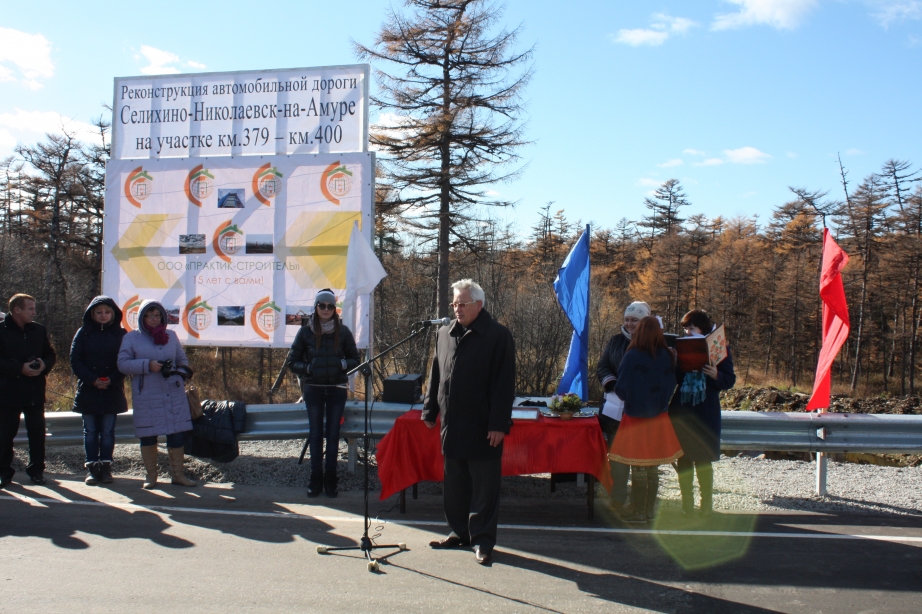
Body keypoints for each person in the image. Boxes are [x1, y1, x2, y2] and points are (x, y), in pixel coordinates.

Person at [423, 279, 515, 566]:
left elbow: (504, 384)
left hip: (483, 426)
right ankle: (459, 532)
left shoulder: (498, 335)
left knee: (484, 489)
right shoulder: (444, 333)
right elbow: (435, 374)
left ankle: (482, 541)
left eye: (462, 304)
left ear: (479, 305)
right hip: (452, 424)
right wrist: (430, 410)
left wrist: (499, 423)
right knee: (455, 485)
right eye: (454, 303)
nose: (457, 308)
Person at [287, 289, 359, 498]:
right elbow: (292, 362)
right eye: (322, 305)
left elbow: (355, 359)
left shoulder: (343, 331)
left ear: (334, 309)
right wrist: (309, 368)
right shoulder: (305, 332)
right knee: (316, 434)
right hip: (314, 390)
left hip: (337, 390)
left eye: (330, 306)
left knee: (333, 435)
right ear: (316, 307)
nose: (326, 309)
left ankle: (331, 479)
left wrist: (342, 364)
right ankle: (315, 479)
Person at [610, 316, 682, 524]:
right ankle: (650, 511)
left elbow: (621, 388)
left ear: (639, 332)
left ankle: (638, 511)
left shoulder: (632, 355)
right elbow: (673, 383)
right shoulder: (668, 355)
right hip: (659, 417)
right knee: (652, 467)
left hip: (636, 418)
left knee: (638, 466)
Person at [117, 300, 196, 489]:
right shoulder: (131, 338)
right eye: (150, 315)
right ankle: (151, 476)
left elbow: (182, 360)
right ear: (142, 317)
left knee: (176, 435)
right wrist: (147, 365)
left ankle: (178, 475)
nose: (155, 319)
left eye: (158, 315)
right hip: (147, 395)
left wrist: (177, 372)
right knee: (148, 435)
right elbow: (123, 364)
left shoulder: (171, 335)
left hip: (173, 392)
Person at [669, 309, 736, 517]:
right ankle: (687, 503)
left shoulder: (719, 348)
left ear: (703, 328)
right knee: (684, 459)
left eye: (691, 328)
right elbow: (675, 379)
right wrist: (674, 362)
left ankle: (706, 503)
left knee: (703, 460)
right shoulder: (682, 346)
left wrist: (716, 375)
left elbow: (729, 380)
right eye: (685, 329)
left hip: (705, 411)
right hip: (683, 409)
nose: (688, 332)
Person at [596, 300, 650, 519]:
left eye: (634, 320)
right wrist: (612, 385)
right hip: (614, 409)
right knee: (617, 457)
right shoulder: (616, 341)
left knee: (638, 459)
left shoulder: (652, 343)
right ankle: (617, 498)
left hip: (639, 411)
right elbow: (603, 366)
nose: (629, 324)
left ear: (644, 321)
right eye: (627, 319)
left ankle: (640, 504)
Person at [70, 296, 128, 485]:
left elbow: (126, 360)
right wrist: (92, 379)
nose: (103, 315)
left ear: (113, 314)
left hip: (112, 390)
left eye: (107, 312)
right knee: (91, 431)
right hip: (89, 390)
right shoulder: (83, 333)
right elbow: (75, 360)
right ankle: (92, 469)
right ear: (92, 314)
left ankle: (106, 468)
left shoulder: (121, 334)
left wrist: (112, 379)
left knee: (108, 431)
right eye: (99, 312)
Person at [0, 294, 56, 488]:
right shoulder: (1, 330)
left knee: (37, 433)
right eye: (30, 309)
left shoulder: (38, 330)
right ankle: (4, 472)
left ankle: (37, 471)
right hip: (7, 392)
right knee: (5, 435)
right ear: (17, 310)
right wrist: (19, 368)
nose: (34, 312)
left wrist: (43, 365)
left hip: (34, 391)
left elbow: (50, 354)